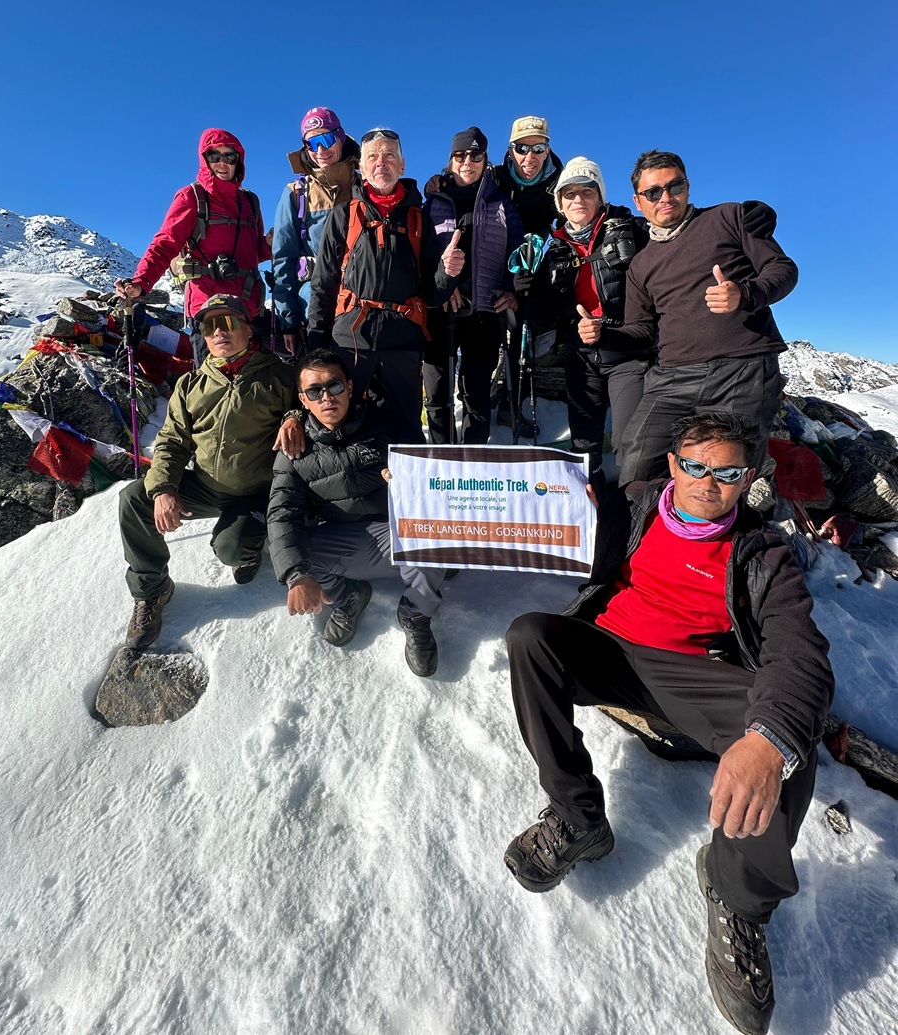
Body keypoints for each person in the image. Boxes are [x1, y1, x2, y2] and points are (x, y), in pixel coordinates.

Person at [504, 411, 833, 1035]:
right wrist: (418, 488)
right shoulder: (632, 510)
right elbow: (531, 509)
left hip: (692, 676)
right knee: (529, 638)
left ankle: (738, 896)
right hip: (610, 649)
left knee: (789, 743)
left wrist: (768, 739)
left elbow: (800, 652)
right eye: (695, 466)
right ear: (673, 466)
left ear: (748, 479)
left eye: (727, 472)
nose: (708, 482)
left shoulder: (763, 554)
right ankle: (578, 818)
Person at [579, 149, 798, 486]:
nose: (665, 198)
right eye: (653, 192)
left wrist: (746, 294)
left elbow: (783, 269)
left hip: (742, 369)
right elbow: (640, 331)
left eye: (674, 187)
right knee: (635, 460)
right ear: (638, 202)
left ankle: (726, 537)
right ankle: (642, 536)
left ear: (687, 187)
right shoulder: (641, 264)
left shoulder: (728, 218)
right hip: (671, 379)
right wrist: (603, 335)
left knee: (725, 476)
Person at [119, 295, 304, 650]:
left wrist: (293, 417)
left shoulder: (279, 375)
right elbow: (172, 442)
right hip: (204, 486)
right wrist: (163, 490)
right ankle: (152, 591)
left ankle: (250, 547)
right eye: (209, 325)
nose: (219, 331)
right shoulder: (190, 385)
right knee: (134, 498)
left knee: (231, 549)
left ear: (249, 330)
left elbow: (306, 405)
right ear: (203, 335)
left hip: (256, 492)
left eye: (230, 322)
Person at [267, 349, 445, 676]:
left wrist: (405, 483)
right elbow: (282, 513)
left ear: (349, 387)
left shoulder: (386, 424)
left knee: (433, 533)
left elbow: (431, 479)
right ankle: (349, 597)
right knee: (293, 551)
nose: (326, 397)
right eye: (314, 391)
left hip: (394, 532)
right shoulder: (294, 450)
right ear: (303, 400)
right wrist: (296, 575)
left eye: (334, 386)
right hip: (342, 541)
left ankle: (416, 613)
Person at [306, 128, 461, 444]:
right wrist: (316, 347)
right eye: (373, 156)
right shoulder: (343, 215)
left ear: (402, 165)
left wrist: (448, 273)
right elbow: (322, 285)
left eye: (389, 155)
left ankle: (407, 492)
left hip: (402, 341)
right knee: (343, 429)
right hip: (350, 340)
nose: (382, 163)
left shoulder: (419, 219)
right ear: (361, 167)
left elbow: (433, 294)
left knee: (406, 432)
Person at [521, 157, 651, 492]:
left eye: (587, 191)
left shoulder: (633, 231)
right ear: (560, 204)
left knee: (631, 445)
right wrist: (527, 286)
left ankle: (631, 518)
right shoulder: (555, 252)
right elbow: (542, 318)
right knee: (583, 447)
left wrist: (733, 221)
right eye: (569, 193)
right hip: (581, 358)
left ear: (600, 197)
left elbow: (675, 234)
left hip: (628, 354)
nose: (578, 199)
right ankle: (588, 518)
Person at [114, 129, 271, 366]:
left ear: (238, 161)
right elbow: (165, 243)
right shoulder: (191, 197)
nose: (222, 163)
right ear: (204, 159)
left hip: (249, 308)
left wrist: (268, 246)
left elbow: (252, 254)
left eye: (229, 157)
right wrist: (141, 282)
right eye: (214, 156)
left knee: (260, 386)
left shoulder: (250, 202)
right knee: (213, 389)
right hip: (209, 309)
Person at [422, 127, 523, 443]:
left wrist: (512, 289)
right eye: (460, 155)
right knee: (437, 393)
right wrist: (441, 284)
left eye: (476, 155)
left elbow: (517, 253)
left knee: (475, 393)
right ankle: (441, 460)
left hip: (485, 310)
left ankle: (474, 460)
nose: (468, 161)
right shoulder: (433, 203)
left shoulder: (501, 203)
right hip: (441, 309)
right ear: (450, 160)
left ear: (485, 160)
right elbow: (421, 255)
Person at [491, 116, 564, 438]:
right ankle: (484, 394)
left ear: (547, 150)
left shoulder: (561, 184)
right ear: (511, 151)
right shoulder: (493, 179)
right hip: (494, 265)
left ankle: (512, 402)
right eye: (522, 148)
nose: (529, 157)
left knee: (526, 327)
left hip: (536, 271)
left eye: (538, 148)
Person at [271, 107, 362, 356]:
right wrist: (289, 321)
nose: (320, 151)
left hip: (361, 303)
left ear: (341, 138)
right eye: (311, 143)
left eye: (326, 139)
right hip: (314, 304)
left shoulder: (364, 187)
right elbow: (283, 259)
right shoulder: (296, 193)